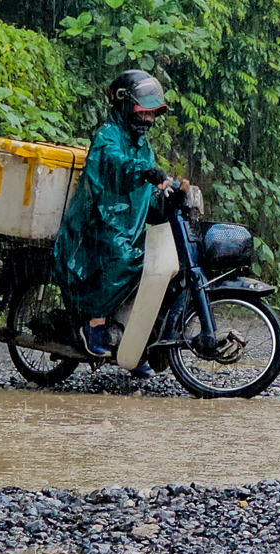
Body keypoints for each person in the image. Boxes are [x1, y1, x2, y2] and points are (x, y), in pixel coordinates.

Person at [52, 69, 175, 377]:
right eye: (142, 111)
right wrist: (145, 172)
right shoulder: (109, 135)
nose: (147, 119)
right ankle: (94, 324)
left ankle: (134, 341)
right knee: (122, 259)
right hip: (97, 223)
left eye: (151, 113)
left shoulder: (141, 144)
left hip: (125, 225)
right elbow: (116, 166)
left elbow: (145, 192)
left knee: (153, 263)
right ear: (124, 104)